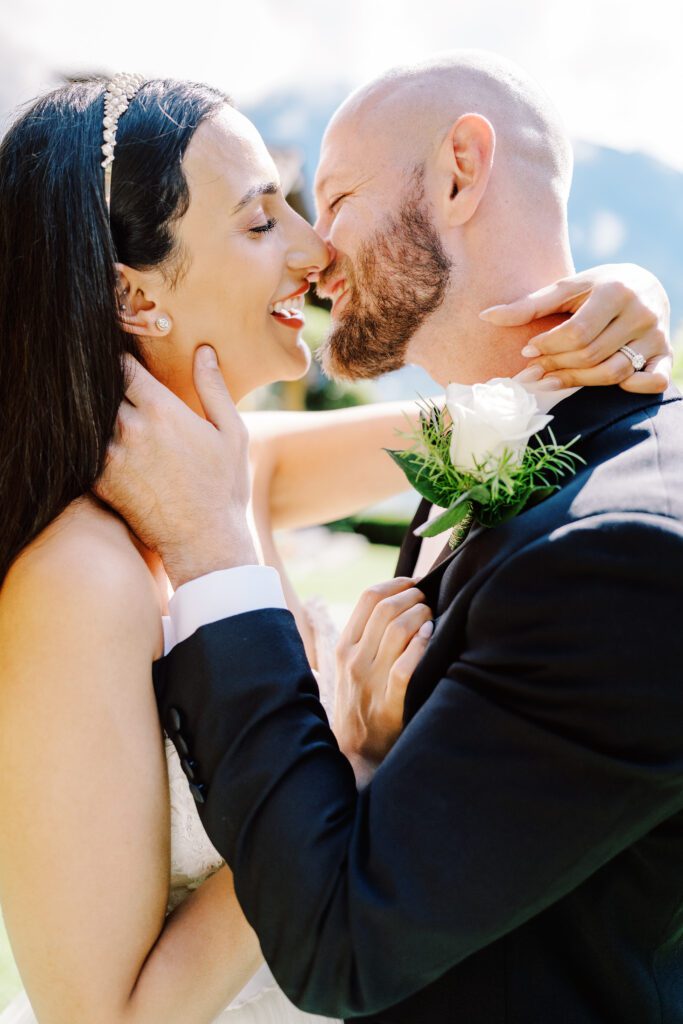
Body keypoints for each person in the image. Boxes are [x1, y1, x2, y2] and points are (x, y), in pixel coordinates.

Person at [0, 68, 673, 1024]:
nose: (316, 252)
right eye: (261, 219)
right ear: (137, 297)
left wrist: (619, 302)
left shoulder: (230, 477)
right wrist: (348, 763)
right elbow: (100, 1016)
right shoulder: (80, 577)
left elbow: (502, 411)